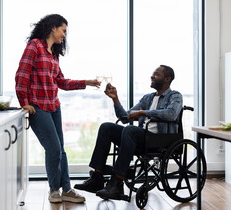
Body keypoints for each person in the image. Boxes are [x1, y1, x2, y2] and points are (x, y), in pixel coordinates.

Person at [15, 14, 100, 203]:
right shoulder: (34, 46)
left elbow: (61, 81)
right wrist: (24, 102)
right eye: (63, 30)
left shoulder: (53, 54)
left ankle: (67, 190)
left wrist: (86, 82)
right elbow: (22, 74)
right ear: (53, 28)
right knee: (53, 148)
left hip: (54, 106)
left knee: (60, 149)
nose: (64, 35)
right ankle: (54, 190)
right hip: (38, 106)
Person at [74, 65, 183, 200]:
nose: (152, 76)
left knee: (130, 130)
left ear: (167, 79)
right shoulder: (147, 98)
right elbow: (126, 118)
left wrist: (143, 112)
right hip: (142, 138)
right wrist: (115, 99)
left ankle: (117, 183)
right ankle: (97, 178)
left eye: (156, 74)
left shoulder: (175, 96)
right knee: (106, 127)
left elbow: (171, 114)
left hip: (160, 140)